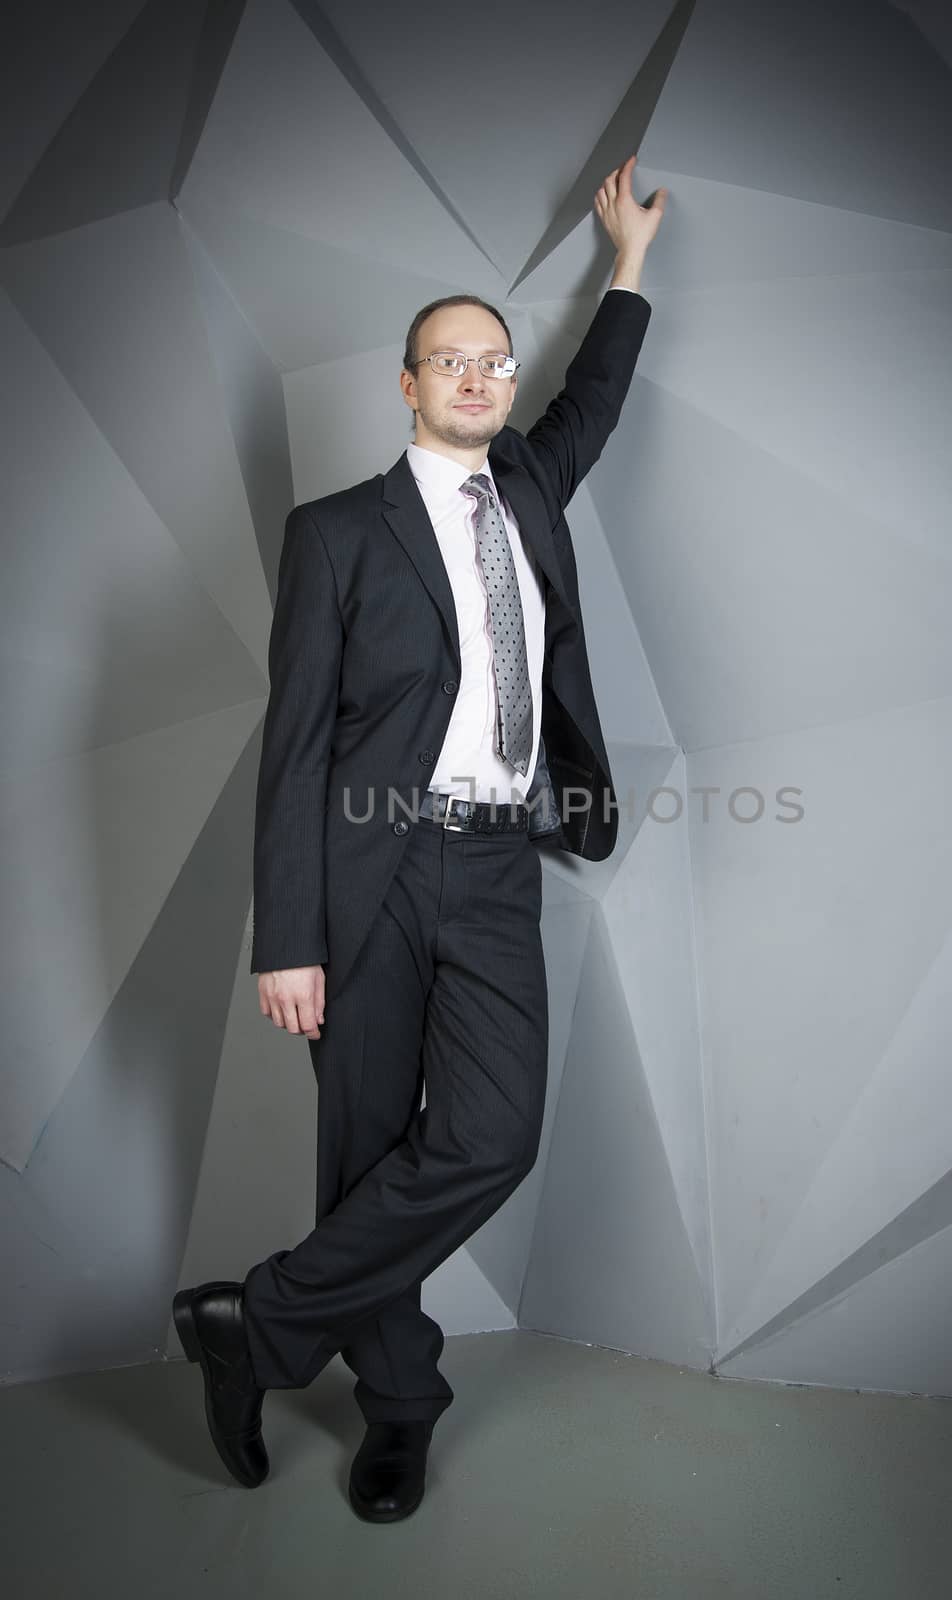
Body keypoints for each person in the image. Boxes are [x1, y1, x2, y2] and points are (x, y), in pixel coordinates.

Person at [173, 154, 667, 1522]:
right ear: (405, 382)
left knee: (489, 1135)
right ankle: (401, 1404)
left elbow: (600, 399)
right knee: (365, 1145)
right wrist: (292, 937)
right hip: (368, 872)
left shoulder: (534, 490)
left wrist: (626, 263)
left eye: (494, 363)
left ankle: (254, 1328)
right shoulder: (333, 535)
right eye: (448, 360)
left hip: (499, 860)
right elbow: (292, 749)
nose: (475, 378)